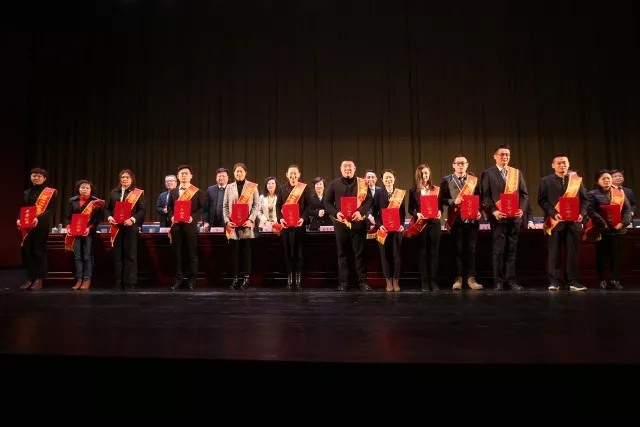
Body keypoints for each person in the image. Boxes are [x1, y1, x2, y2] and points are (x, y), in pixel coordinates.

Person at [480, 144, 529, 291]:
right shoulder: (488, 173)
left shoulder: (516, 173)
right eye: (502, 154)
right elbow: (485, 196)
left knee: (512, 250)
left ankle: (511, 280)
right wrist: (494, 211)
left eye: (507, 154)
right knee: (499, 250)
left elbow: (524, 195)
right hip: (498, 218)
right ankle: (498, 281)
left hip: (514, 218)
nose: (505, 157)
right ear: (495, 156)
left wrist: (521, 209)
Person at [537, 154, 588, 291]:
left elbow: (585, 200)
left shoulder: (576, 181)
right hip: (555, 222)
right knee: (555, 253)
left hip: (573, 223)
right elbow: (542, 200)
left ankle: (573, 281)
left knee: (573, 253)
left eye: (564, 162)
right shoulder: (545, 181)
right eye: (559, 163)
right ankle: (554, 281)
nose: (562, 165)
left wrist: (581, 214)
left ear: (568, 164)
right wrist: (554, 213)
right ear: (553, 165)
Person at [323, 157, 373, 291]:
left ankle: (362, 281)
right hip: (341, 224)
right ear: (340, 169)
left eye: (350, 166)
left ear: (355, 168)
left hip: (358, 223)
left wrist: (360, 212)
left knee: (360, 253)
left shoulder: (362, 183)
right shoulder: (334, 184)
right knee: (342, 253)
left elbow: (369, 200)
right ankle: (343, 282)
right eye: (344, 166)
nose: (347, 168)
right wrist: (336, 213)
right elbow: (327, 202)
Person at [439, 155, 484, 290]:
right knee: (456, 250)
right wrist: (453, 201)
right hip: (456, 220)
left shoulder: (473, 180)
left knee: (471, 250)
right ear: (453, 165)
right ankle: (458, 279)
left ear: (467, 165)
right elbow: (441, 199)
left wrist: (479, 210)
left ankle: (471, 278)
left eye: (463, 163)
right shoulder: (446, 180)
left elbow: (480, 198)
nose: (460, 165)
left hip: (471, 220)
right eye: (458, 163)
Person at [585, 169, 633, 289]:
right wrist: (603, 223)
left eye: (608, 178)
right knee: (601, 256)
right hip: (601, 230)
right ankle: (602, 279)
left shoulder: (619, 193)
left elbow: (627, 210)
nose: (607, 180)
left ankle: (615, 279)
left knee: (615, 256)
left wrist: (623, 223)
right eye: (604, 178)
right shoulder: (592, 194)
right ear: (597, 181)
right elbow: (590, 210)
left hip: (618, 230)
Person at [104, 169, 146, 291]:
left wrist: (132, 219)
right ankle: (119, 282)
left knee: (130, 255)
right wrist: (109, 217)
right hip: (116, 227)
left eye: (127, 177)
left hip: (130, 227)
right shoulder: (113, 193)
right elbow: (107, 209)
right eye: (122, 177)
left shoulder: (137, 193)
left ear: (132, 179)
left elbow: (142, 210)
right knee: (118, 255)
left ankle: (130, 282)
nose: (124, 179)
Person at [16, 167, 57, 290]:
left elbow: (50, 210)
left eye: (39, 176)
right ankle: (30, 278)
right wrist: (18, 219)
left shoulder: (49, 192)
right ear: (30, 177)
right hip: (27, 225)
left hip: (41, 225)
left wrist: (38, 218)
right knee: (27, 251)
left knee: (38, 250)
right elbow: (22, 208)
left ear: (44, 178)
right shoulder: (26, 192)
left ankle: (39, 279)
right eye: (34, 175)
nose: (36, 178)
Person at [167, 165, 205, 291]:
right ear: (178, 176)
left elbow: (201, 208)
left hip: (190, 226)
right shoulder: (173, 192)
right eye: (181, 174)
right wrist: (172, 216)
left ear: (191, 176)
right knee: (177, 254)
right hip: (176, 227)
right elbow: (170, 208)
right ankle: (178, 280)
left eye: (186, 173)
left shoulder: (197, 191)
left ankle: (191, 281)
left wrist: (193, 218)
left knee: (191, 254)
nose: (184, 175)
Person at [223, 163, 260, 290]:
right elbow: (225, 206)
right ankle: (235, 279)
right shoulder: (229, 187)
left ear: (245, 173)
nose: (239, 173)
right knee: (235, 254)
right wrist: (227, 221)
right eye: (237, 171)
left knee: (246, 253)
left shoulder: (252, 187)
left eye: (241, 171)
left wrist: (251, 219)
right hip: (233, 226)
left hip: (247, 226)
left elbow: (256, 205)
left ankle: (246, 279)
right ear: (234, 173)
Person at [274, 164, 312, 289]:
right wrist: (280, 219)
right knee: (288, 253)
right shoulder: (282, 189)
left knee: (299, 253)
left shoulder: (304, 188)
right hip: (286, 227)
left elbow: (309, 205)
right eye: (291, 173)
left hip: (299, 226)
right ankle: (290, 278)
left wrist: (303, 218)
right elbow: (278, 206)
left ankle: (298, 278)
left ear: (299, 175)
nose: (293, 175)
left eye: (295, 173)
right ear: (287, 175)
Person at [406, 163, 442, 291]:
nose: (424, 175)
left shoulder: (436, 189)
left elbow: (440, 207)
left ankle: (433, 281)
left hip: (434, 224)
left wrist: (440, 212)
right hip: (420, 224)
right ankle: (424, 281)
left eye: (426, 173)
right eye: (422, 174)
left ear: (429, 174)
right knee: (422, 252)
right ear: (418, 175)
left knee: (434, 253)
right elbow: (410, 209)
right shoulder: (413, 191)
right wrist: (417, 214)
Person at [64, 180, 104, 290]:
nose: (84, 190)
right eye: (82, 187)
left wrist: (89, 228)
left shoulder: (95, 202)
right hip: (75, 232)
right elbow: (67, 216)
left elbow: (97, 219)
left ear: (91, 190)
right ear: (78, 189)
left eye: (87, 188)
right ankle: (79, 279)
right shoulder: (72, 200)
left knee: (87, 256)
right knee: (77, 257)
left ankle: (87, 279)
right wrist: (68, 227)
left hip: (88, 232)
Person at [372, 169, 405, 292]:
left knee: (396, 256)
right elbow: (375, 212)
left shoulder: (399, 193)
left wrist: (401, 225)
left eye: (390, 177)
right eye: (386, 178)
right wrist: (379, 225)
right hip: (383, 230)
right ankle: (388, 281)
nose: (388, 180)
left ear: (394, 178)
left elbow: (402, 213)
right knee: (384, 256)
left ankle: (396, 280)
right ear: (382, 180)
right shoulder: (378, 193)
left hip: (396, 230)